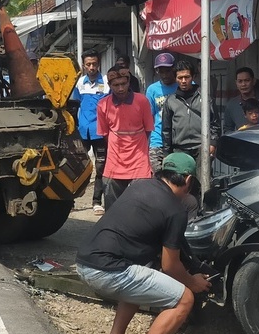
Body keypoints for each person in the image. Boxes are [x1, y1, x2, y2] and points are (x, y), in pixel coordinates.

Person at [74, 152, 212, 334]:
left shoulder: (139, 186)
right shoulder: (176, 210)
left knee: (141, 276)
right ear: (188, 180)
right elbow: (170, 266)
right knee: (184, 299)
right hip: (107, 271)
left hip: (84, 260)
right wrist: (193, 281)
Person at [160, 60, 219, 213]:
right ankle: (181, 214)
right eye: (180, 77)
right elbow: (166, 129)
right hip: (179, 150)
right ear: (175, 78)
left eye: (186, 77)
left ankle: (204, 213)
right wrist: (167, 154)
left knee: (203, 183)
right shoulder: (170, 101)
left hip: (201, 148)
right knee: (179, 185)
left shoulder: (204, 97)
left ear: (192, 77)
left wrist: (213, 143)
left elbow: (215, 123)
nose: (183, 81)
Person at [95, 66, 154, 206]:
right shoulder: (103, 105)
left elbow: (148, 130)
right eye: (116, 85)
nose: (120, 88)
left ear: (129, 82)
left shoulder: (142, 101)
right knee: (112, 204)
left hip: (139, 161)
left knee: (141, 205)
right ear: (109, 85)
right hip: (114, 162)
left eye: (123, 84)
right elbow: (105, 134)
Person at [71, 49, 109, 214]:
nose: (91, 67)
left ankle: (96, 202)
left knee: (101, 167)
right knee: (77, 166)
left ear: (98, 63)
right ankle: (70, 200)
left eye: (94, 64)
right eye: (88, 64)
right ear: (84, 65)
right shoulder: (79, 83)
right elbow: (74, 106)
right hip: (83, 132)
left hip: (100, 132)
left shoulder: (107, 82)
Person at [144, 52, 179, 172]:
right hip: (158, 141)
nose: (164, 75)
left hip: (179, 141)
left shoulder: (183, 85)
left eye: (168, 71)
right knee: (158, 177)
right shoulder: (152, 90)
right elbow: (148, 117)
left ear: (174, 69)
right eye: (161, 71)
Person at [222, 66, 258, 132]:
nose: (243, 84)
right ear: (236, 83)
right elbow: (227, 129)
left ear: (254, 81)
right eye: (240, 81)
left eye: (247, 80)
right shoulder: (231, 105)